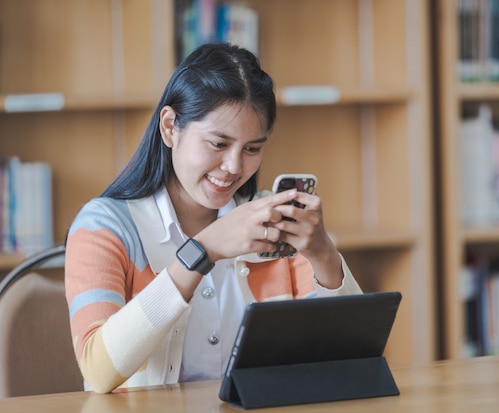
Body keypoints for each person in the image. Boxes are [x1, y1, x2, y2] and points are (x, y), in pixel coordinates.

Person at [64, 43, 362, 394]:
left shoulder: (272, 220)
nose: (235, 167)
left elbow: (349, 357)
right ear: (170, 127)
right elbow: (98, 370)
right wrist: (204, 249)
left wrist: (323, 253)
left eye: (252, 149)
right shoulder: (104, 227)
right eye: (218, 144)